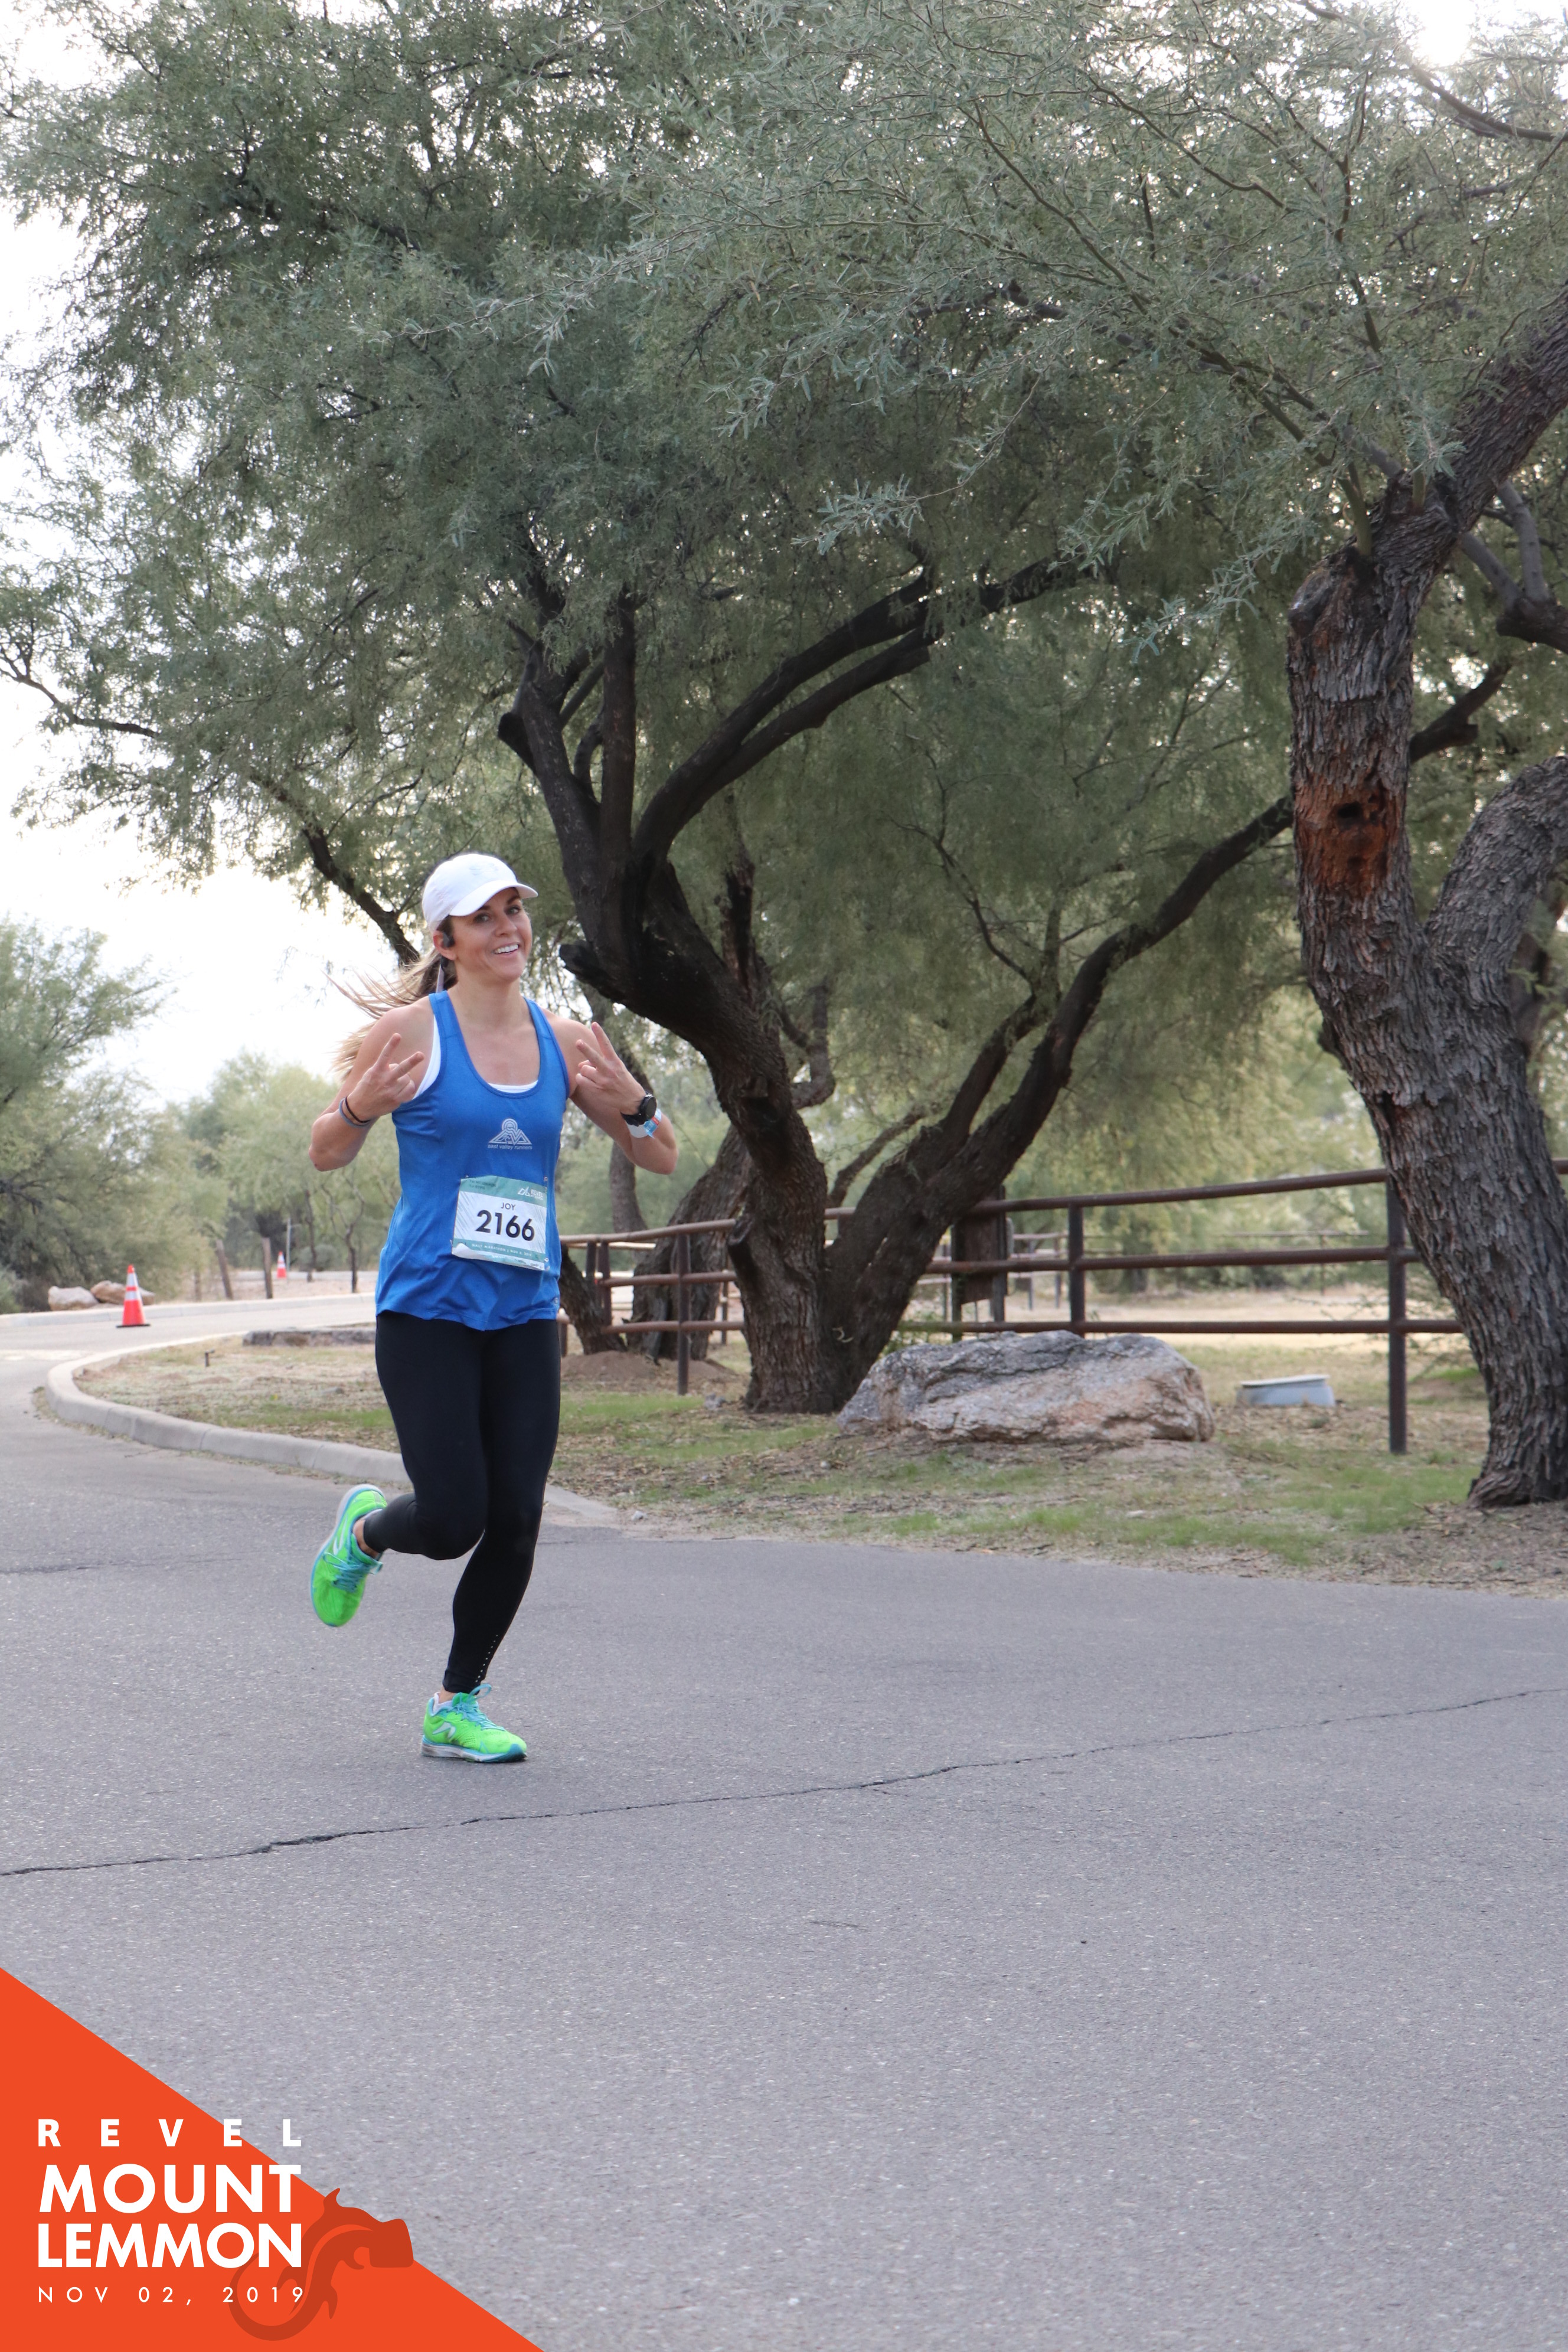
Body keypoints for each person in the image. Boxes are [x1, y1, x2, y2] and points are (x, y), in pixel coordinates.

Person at [306, 852, 678, 1762]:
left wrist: (635, 1101)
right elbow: (325, 1150)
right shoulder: (412, 1032)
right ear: (446, 940)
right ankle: (364, 1532)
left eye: (515, 910)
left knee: (516, 1517)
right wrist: (358, 1105)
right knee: (452, 1519)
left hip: (523, 1312)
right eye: (485, 917)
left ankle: (455, 1703)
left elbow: (660, 1155)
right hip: (427, 1310)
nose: (509, 928)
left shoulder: (565, 1039)